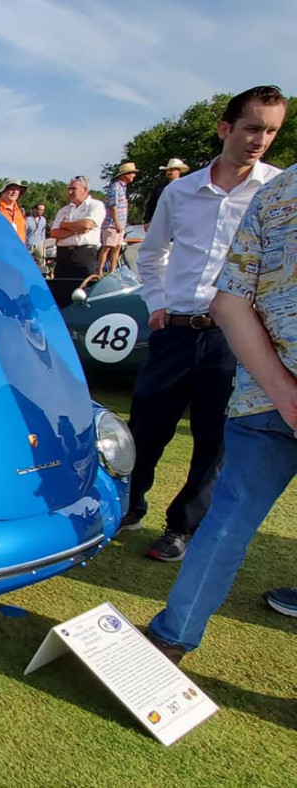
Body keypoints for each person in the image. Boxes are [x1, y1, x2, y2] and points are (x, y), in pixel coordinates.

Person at [120, 85, 287, 564]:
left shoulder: (278, 192)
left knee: (214, 440)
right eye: (253, 127)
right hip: (176, 329)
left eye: (271, 131)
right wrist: (156, 300)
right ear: (225, 128)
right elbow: (152, 254)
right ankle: (128, 507)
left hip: (238, 338)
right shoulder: (180, 190)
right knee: (147, 429)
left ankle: (181, 528)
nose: (260, 139)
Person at [146, 162, 297, 661]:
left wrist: (280, 388)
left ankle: (171, 637)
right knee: (225, 515)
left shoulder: (274, 191)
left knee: (226, 515)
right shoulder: (276, 196)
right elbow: (228, 298)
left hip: (260, 382)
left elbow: (231, 304)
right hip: (259, 385)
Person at [49, 176, 106, 279]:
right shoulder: (64, 210)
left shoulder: (95, 205)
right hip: (63, 255)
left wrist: (65, 225)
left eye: (73, 189)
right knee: (61, 289)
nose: (70, 192)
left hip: (84, 254)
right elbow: (54, 233)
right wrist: (76, 231)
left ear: (85, 189)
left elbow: (87, 225)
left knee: (84, 289)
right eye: (69, 189)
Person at [98, 162, 138, 274]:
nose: (133, 176)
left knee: (117, 248)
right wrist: (117, 223)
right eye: (132, 173)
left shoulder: (124, 188)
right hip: (112, 224)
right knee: (107, 247)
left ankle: (112, 272)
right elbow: (112, 206)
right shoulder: (116, 187)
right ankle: (100, 272)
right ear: (125, 175)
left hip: (120, 224)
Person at [143, 158, 189, 230]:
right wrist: (147, 220)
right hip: (162, 222)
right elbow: (151, 205)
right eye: (167, 170)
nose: (169, 172)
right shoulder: (159, 188)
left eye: (171, 170)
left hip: (180, 222)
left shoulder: (186, 187)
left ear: (178, 171)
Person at [25, 203, 48, 273]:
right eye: (39, 209)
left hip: (39, 243)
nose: (41, 211)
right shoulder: (27, 220)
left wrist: (43, 243)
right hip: (29, 244)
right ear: (35, 209)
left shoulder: (43, 220)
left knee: (41, 261)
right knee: (26, 260)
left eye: (43, 210)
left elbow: (43, 232)